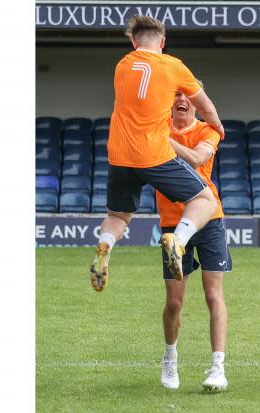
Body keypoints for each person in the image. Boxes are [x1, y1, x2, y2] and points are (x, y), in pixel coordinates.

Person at [89, 15, 226, 291]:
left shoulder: (122, 65)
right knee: (205, 199)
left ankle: (105, 244)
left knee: (118, 216)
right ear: (163, 41)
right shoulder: (173, 65)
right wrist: (219, 127)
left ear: (132, 41)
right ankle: (179, 239)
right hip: (153, 152)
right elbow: (206, 106)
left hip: (119, 154)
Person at [156, 86, 231, 392]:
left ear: (199, 105)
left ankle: (218, 368)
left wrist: (164, 141)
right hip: (172, 223)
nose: (183, 100)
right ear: (169, 102)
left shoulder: (209, 131)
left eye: (189, 97)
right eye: (176, 96)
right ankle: (170, 359)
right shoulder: (157, 127)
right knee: (174, 302)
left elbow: (198, 158)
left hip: (209, 219)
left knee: (214, 296)